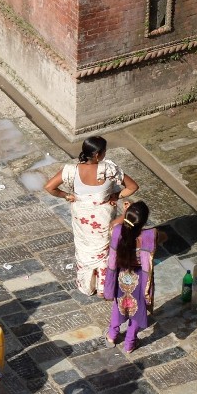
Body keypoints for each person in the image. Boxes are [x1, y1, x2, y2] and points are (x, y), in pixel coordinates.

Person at [44, 136, 139, 296]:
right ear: (97, 155)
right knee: (104, 251)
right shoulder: (109, 170)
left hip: (82, 219)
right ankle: (104, 287)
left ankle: (87, 286)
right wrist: (116, 196)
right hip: (103, 219)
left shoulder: (70, 170)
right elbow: (132, 187)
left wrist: (66, 195)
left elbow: (49, 187)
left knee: (84, 249)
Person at [104, 201, 165, 353]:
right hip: (140, 279)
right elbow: (165, 237)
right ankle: (130, 343)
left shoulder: (117, 231)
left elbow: (113, 224)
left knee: (119, 305)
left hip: (121, 275)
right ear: (143, 222)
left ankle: (112, 335)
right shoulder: (150, 236)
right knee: (138, 309)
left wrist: (126, 214)